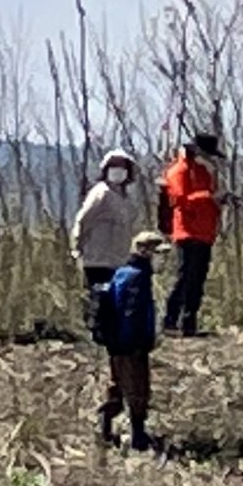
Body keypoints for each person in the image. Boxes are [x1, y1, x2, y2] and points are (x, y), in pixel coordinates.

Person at [96, 231, 167, 452]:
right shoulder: (138, 277)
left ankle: (105, 429)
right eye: (158, 254)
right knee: (138, 390)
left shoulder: (122, 273)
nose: (162, 259)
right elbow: (132, 313)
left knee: (117, 385)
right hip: (130, 344)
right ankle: (137, 437)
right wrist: (139, 342)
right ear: (145, 253)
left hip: (116, 343)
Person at [70, 148, 143, 342]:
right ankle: (95, 334)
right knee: (98, 297)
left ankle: (110, 333)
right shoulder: (100, 193)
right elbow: (83, 220)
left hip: (119, 258)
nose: (118, 170)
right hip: (97, 257)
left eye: (122, 166)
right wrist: (77, 246)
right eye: (114, 166)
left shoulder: (125, 198)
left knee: (114, 299)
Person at [157, 132, 224, 337]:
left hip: (205, 233)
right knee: (185, 277)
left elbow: (207, 200)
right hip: (187, 232)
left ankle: (189, 323)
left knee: (197, 280)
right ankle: (170, 321)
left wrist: (217, 202)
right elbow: (180, 199)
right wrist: (209, 197)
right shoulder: (178, 170)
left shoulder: (203, 172)